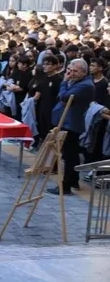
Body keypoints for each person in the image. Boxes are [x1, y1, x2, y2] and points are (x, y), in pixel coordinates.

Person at [46, 58, 94, 196]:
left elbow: (64, 97)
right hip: (66, 120)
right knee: (70, 153)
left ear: (84, 72)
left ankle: (66, 184)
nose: (71, 74)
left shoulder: (85, 85)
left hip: (71, 123)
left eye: (75, 71)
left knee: (69, 154)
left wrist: (64, 82)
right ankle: (72, 181)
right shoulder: (77, 82)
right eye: (69, 71)